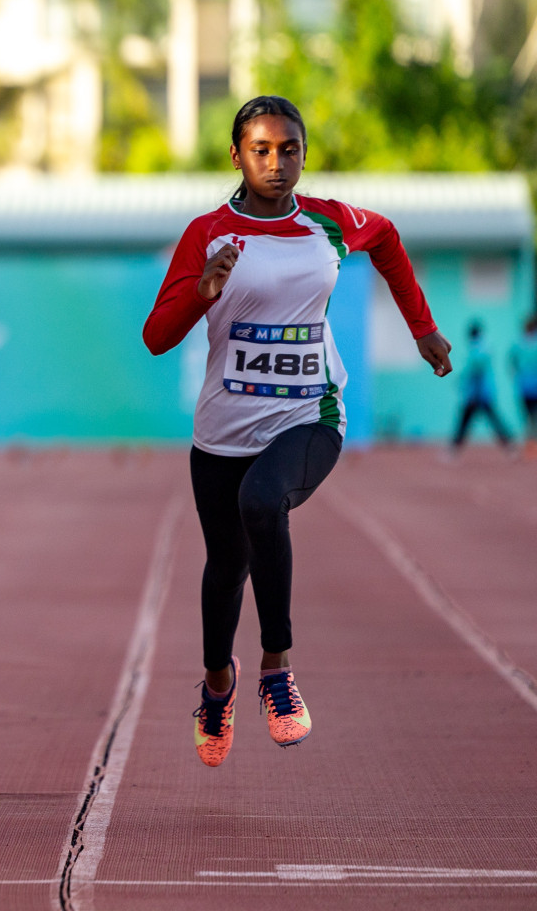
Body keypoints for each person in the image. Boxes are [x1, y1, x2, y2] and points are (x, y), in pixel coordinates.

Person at [142, 96, 452, 768]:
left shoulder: (330, 223)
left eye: (290, 149)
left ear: (305, 153)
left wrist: (421, 326)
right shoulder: (207, 235)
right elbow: (156, 338)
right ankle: (217, 685)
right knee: (227, 565)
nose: (277, 162)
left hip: (310, 413)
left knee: (263, 503)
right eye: (262, 149)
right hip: (223, 430)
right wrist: (202, 292)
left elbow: (391, 241)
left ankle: (276, 670)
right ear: (237, 156)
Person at [451, 321, 513, 452]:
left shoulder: (479, 347)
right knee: (490, 420)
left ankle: (454, 450)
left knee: (468, 421)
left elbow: (477, 370)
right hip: (480, 392)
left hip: (478, 393)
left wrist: (472, 390)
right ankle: (510, 446)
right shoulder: (483, 346)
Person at [512, 314, 537, 456]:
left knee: (527, 417)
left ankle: (529, 446)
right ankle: (532, 446)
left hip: (523, 386)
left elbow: (512, 362)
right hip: (534, 385)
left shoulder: (518, 343)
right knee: (534, 417)